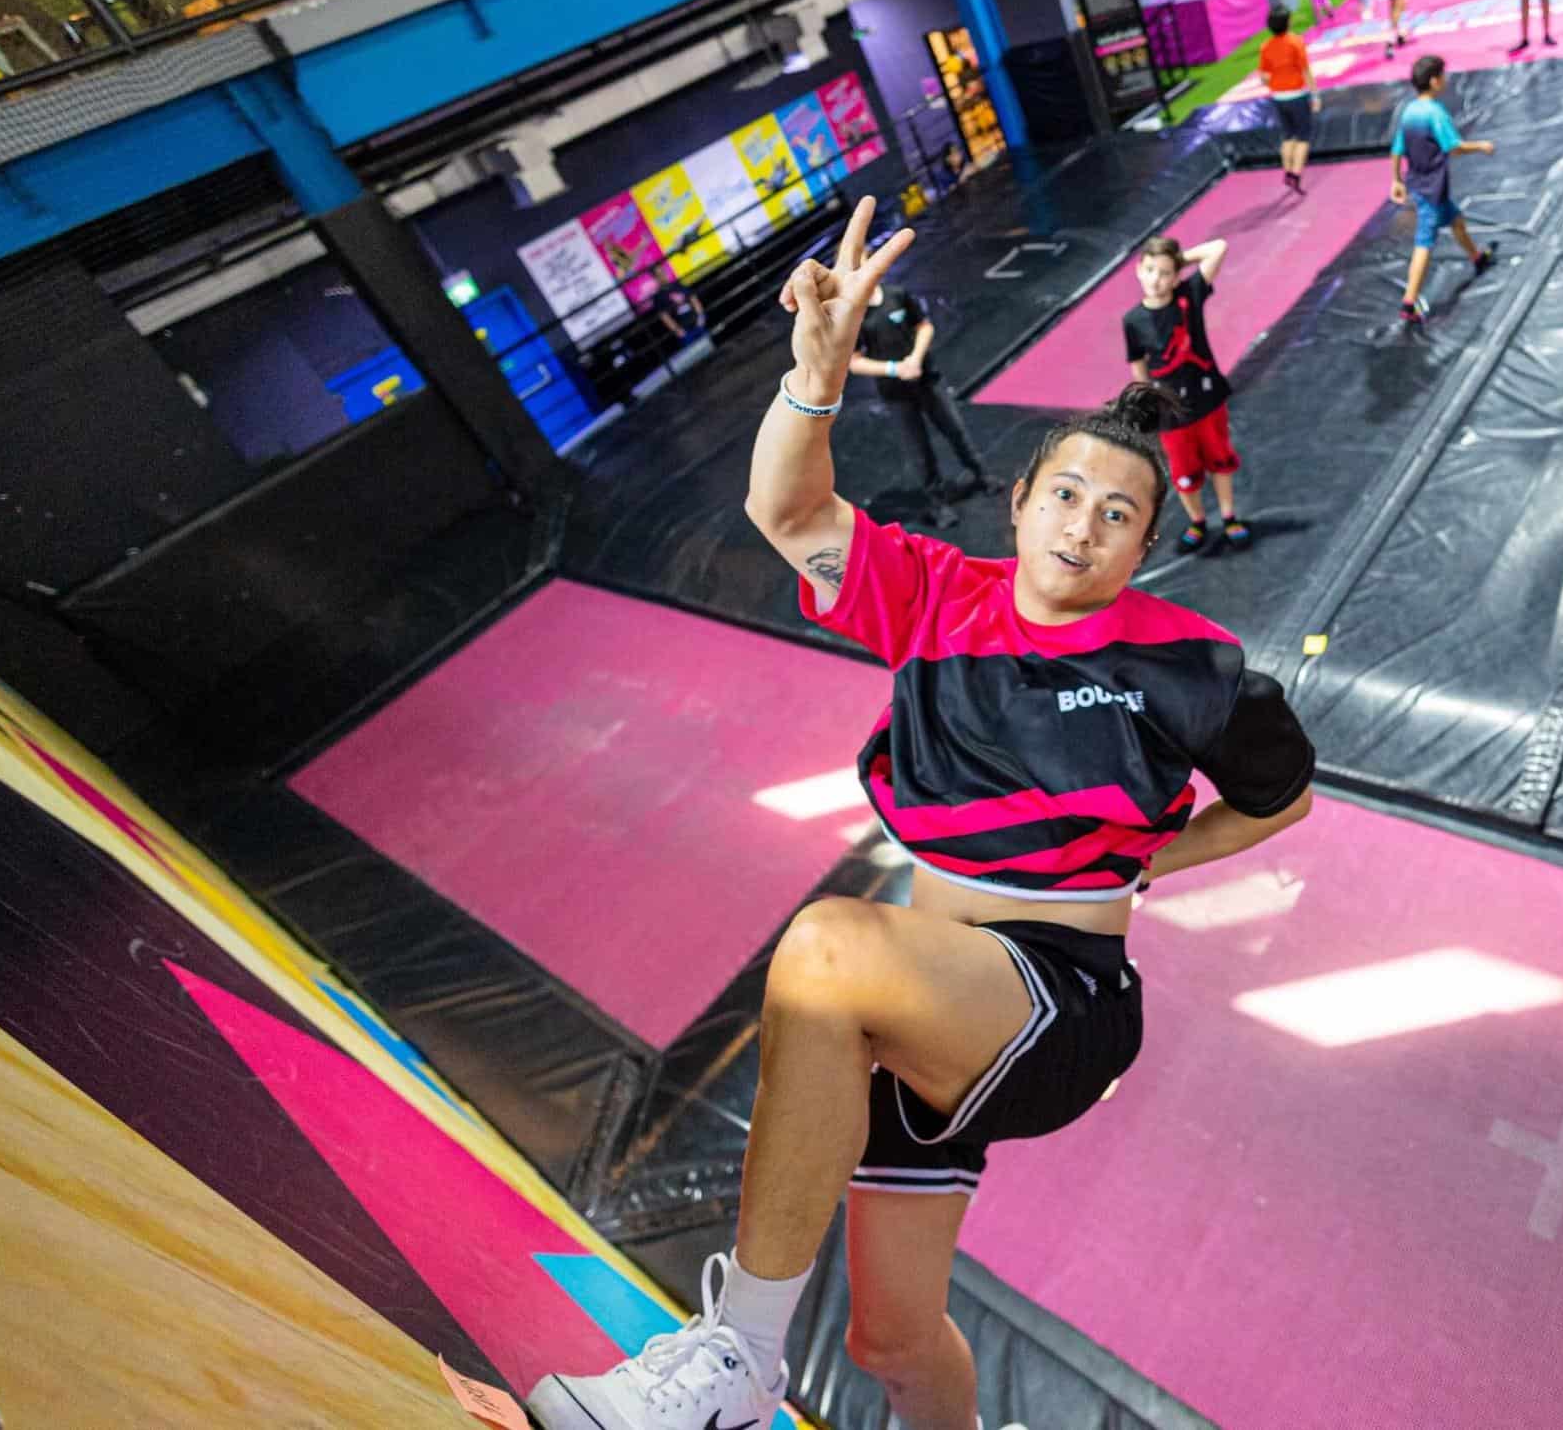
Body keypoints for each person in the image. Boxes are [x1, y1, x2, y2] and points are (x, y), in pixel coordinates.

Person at [528, 199, 1315, 1430]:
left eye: (1118, 514)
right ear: (1019, 505)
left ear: (1147, 545)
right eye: (1065, 496)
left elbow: (1282, 797)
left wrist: (1157, 856)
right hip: (921, 1006)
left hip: (1058, 1001)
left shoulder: (1196, 664)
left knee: (826, 945)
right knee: (897, 1338)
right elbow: (788, 515)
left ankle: (734, 1363)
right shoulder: (938, 599)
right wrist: (813, 372)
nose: (1084, 526)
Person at [1123, 235, 1252, 550]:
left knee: (1220, 459)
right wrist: (1146, 404)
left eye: (1166, 272)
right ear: (1139, 269)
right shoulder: (1133, 320)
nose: (1157, 279)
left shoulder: (1189, 296)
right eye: (1151, 269)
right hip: (1171, 413)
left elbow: (1219, 247)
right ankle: (1198, 521)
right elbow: (1138, 365)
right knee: (1184, 471)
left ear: (1176, 275)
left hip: (1206, 400)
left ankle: (1228, 515)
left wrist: (1180, 259)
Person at [852, 277, 997, 508]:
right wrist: (894, 369)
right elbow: (854, 361)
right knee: (918, 449)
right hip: (895, 392)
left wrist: (915, 359)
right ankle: (937, 502)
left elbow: (924, 326)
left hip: (927, 378)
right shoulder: (854, 314)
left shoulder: (896, 294)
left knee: (955, 430)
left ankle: (983, 475)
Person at [1390, 53, 1497, 323]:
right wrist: (1481, 146)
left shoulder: (1409, 111)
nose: (1446, 80)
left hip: (1418, 183)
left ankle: (1476, 257)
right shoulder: (1435, 113)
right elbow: (1454, 147)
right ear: (1435, 81)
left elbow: (1397, 149)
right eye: (1444, 76)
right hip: (1432, 189)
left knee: (1456, 219)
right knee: (1424, 243)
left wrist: (1396, 180)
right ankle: (1409, 302)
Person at [1258, 4, 1317, 192]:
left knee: (1287, 136)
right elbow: (1306, 70)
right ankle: (1296, 173)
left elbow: (1264, 76)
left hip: (1278, 97)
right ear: (1288, 22)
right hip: (1297, 95)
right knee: (1302, 137)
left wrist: (1275, 86)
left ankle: (1287, 170)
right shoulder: (1295, 42)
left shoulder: (1266, 47)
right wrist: (1314, 94)